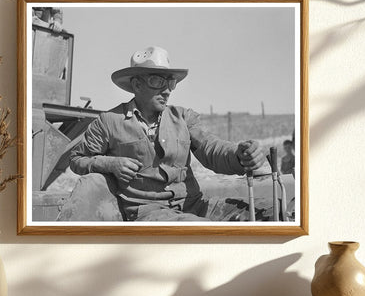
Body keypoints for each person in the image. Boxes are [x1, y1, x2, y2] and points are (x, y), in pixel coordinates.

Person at [70, 46, 266, 222]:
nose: (167, 91)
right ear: (137, 85)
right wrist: (109, 163)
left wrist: (239, 155)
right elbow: (77, 158)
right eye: (157, 81)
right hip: (149, 212)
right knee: (202, 231)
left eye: (171, 83)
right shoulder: (109, 121)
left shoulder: (183, 117)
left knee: (266, 212)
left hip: (194, 206)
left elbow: (210, 148)